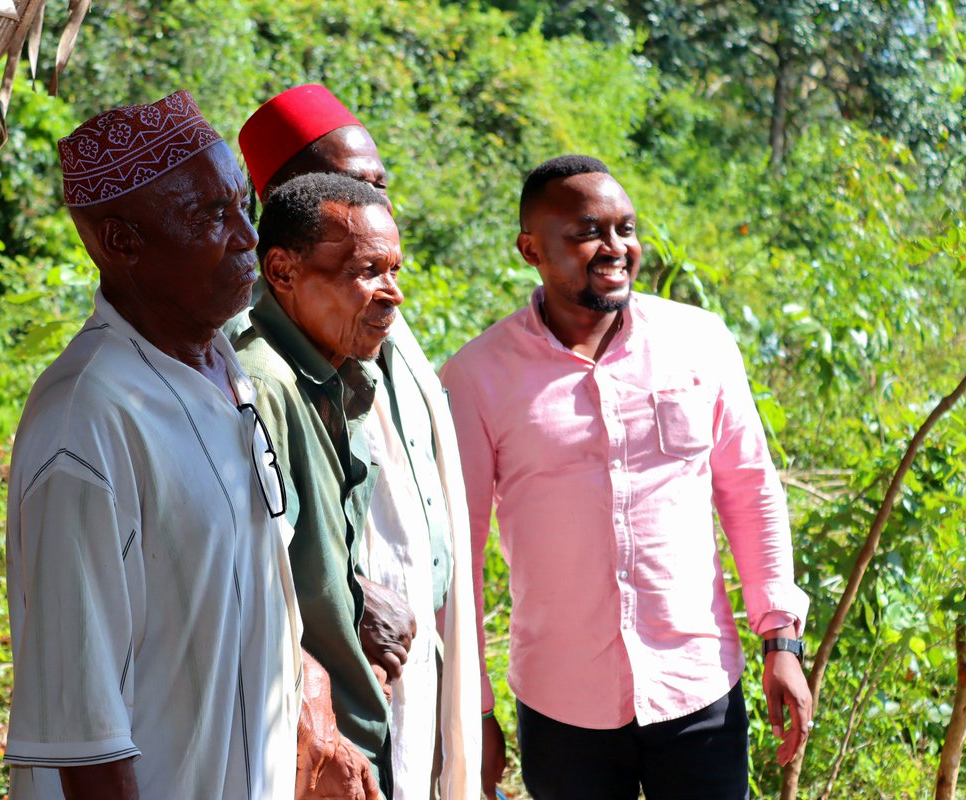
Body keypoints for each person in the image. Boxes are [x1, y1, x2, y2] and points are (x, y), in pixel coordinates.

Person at [439, 155, 813, 800]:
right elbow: (458, 555)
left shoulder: (699, 341)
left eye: (625, 228)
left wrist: (781, 638)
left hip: (698, 686)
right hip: (563, 705)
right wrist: (472, 710)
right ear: (530, 247)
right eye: (588, 232)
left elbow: (750, 486)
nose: (615, 248)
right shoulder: (477, 377)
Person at [5, 90, 319, 799]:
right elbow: (85, 738)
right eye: (211, 215)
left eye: (242, 204)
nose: (246, 235)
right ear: (122, 242)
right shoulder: (86, 420)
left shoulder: (221, 365)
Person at [237, 85, 481, 799]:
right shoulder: (258, 361)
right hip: (334, 657)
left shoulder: (383, 318)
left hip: (409, 644)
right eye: (348, 186)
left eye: (378, 184)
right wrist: (347, 598)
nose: (373, 200)